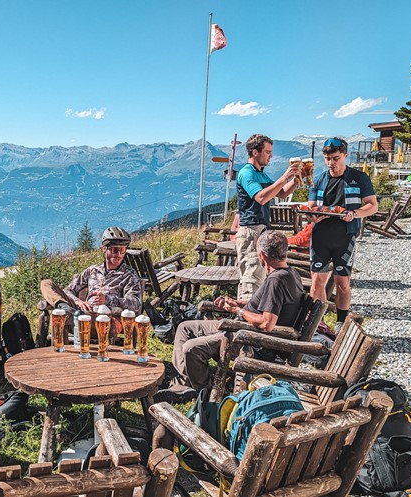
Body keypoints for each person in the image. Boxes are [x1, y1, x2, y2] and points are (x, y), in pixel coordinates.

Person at [160, 231, 304, 399]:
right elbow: (267, 305)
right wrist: (237, 303)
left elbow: (267, 323)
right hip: (242, 327)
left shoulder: (276, 280)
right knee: (185, 328)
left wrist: (238, 311)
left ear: (262, 255)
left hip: (250, 340)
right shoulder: (290, 273)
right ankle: (181, 385)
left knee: (192, 349)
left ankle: (202, 393)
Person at [307, 137, 378, 329]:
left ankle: (340, 322)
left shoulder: (359, 178)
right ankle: (318, 324)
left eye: (336, 158)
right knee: (317, 280)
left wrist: (355, 214)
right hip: (320, 236)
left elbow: (372, 206)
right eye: (327, 158)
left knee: (342, 282)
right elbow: (311, 207)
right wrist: (312, 215)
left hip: (345, 237)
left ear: (345, 156)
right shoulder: (319, 179)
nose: (331, 163)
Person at [235, 134, 300, 299]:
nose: (271, 156)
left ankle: (252, 316)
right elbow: (261, 197)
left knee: (260, 277)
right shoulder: (246, 173)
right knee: (251, 278)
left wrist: (298, 179)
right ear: (255, 152)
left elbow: (282, 193)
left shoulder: (262, 175)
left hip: (261, 230)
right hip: (251, 230)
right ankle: (243, 318)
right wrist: (285, 176)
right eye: (267, 152)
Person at [39, 226, 143, 313]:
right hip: (80, 313)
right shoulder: (93, 270)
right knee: (46, 283)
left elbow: (136, 303)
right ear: (104, 249)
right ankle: (63, 307)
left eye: (122, 250)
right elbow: (68, 290)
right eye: (114, 250)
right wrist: (78, 301)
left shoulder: (129, 275)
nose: (119, 255)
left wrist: (108, 300)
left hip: (104, 319)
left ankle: (66, 312)